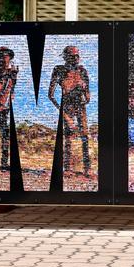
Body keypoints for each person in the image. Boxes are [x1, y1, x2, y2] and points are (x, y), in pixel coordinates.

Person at [48, 46, 92, 177]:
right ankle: (67, 168)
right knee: (68, 137)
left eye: (77, 56)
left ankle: (87, 168)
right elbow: (50, 95)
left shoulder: (82, 71)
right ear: (66, 57)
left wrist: (84, 91)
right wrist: (65, 115)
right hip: (67, 106)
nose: (76, 59)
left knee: (85, 136)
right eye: (73, 56)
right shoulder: (59, 70)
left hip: (80, 106)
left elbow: (88, 97)